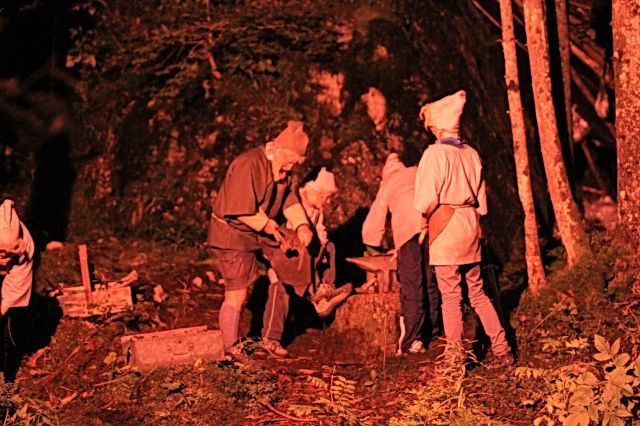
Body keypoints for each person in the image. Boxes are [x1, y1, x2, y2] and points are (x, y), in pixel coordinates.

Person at [413, 90, 514, 366]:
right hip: (470, 225)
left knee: (450, 297)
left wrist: (424, 221)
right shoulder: (471, 154)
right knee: (478, 292)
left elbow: (425, 201)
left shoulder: (434, 154)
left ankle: (454, 359)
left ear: (438, 125)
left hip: (446, 227)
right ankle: (503, 349)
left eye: (431, 126)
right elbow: (483, 204)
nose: (430, 130)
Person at [207, 121, 314, 357]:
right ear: (278, 148)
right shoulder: (249, 164)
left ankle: (271, 339)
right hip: (234, 234)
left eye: (294, 163)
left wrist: (302, 225)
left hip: (262, 232)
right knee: (237, 292)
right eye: (289, 160)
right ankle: (229, 349)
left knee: (283, 274)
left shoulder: (283, 170)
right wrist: (267, 225)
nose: (290, 167)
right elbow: (240, 210)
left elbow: (289, 201)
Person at [260, 168, 352, 357]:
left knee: (329, 247)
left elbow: (320, 229)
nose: (327, 201)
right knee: (280, 289)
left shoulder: (316, 209)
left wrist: (322, 246)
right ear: (310, 191)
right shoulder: (293, 203)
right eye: (324, 196)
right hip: (284, 255)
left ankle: (323, 292)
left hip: (304, 257)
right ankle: (270, 338)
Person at [362, 152, 441, 355]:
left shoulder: (388, 183)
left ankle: (413, 340)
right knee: (431, 281)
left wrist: (373, 247)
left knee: (412, 285)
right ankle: (435, 333)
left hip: (407, 232)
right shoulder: (417, 171)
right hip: (431, 226)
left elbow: (374, 222)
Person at [0, 199, 35, 379]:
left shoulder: (25, 250)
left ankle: (6, 381)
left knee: (10, 325)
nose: (3, 258)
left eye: (7, 254)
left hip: (14, 277)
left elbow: (11, 295)